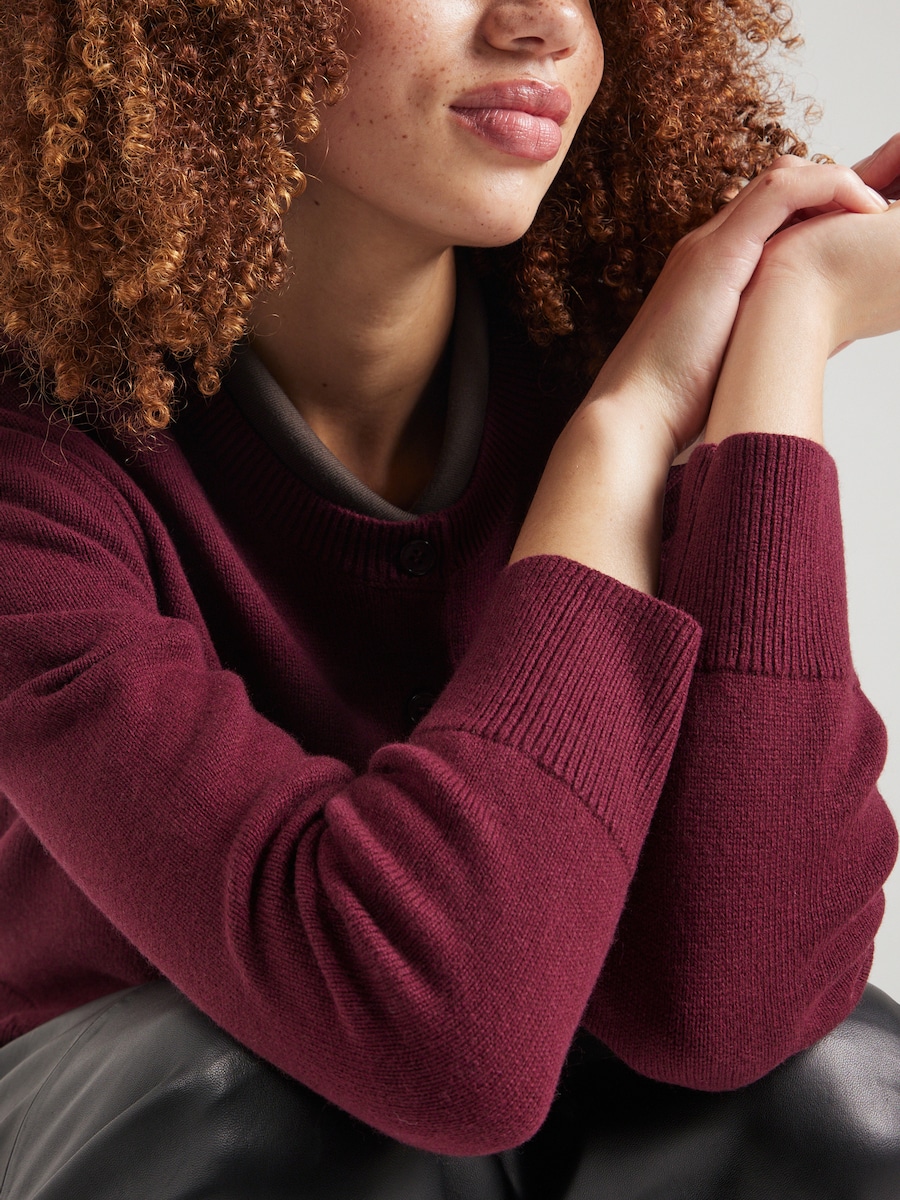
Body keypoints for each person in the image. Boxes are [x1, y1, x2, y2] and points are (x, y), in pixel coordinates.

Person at [0, 0, 899, 1195]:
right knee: (281, 1109)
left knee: (823, 1084)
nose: (546, 24)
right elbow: (441, 1045)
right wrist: (622, 438)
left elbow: (736, 1003)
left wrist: (789, 316)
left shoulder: (630, 330)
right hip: (143, 1122)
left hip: (530, 1077)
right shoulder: (33, 473)